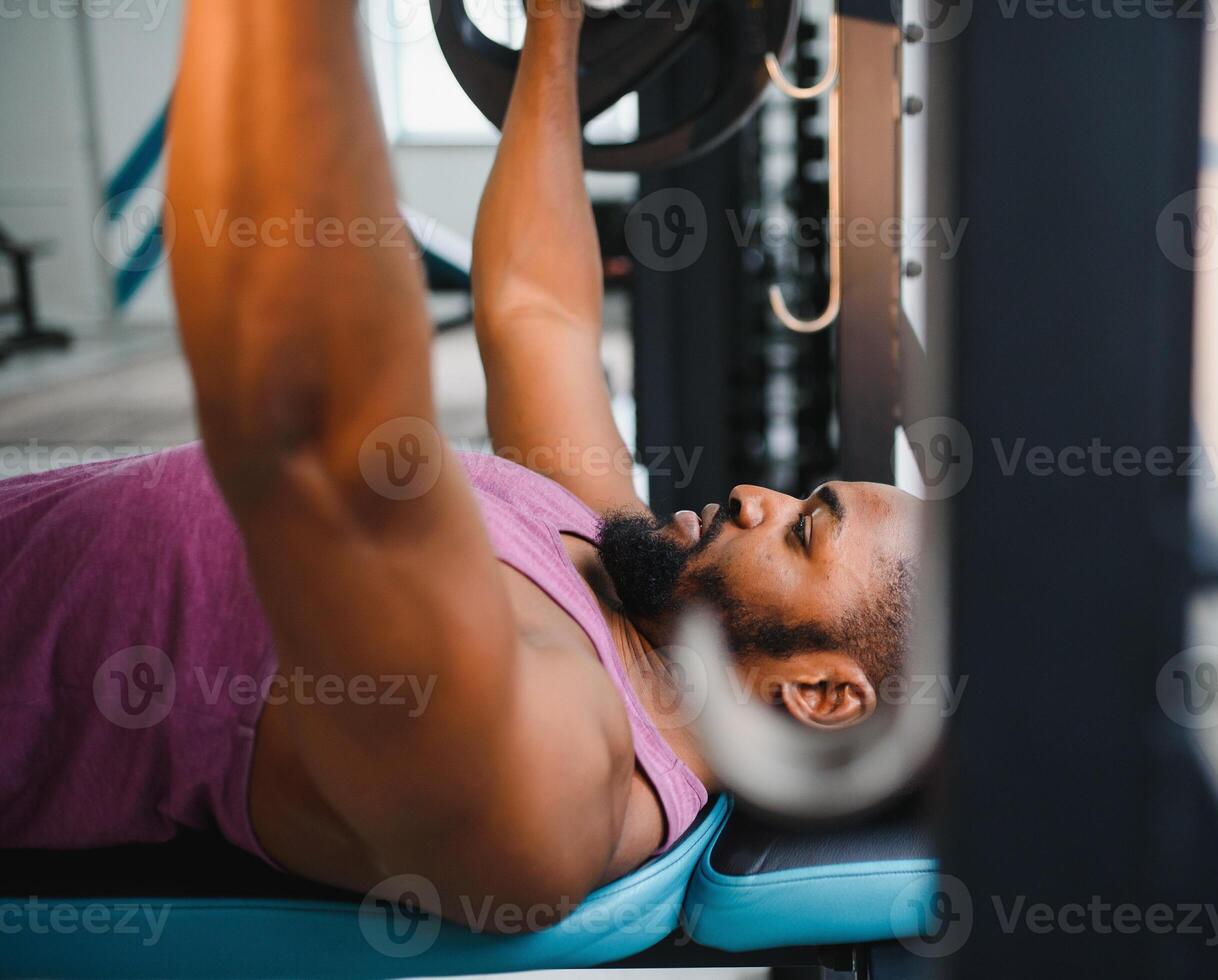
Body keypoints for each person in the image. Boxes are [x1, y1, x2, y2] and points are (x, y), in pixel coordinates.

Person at [0, 0, 920, 927]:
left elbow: (310, 441)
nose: (756, 497)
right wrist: (556, 31)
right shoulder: (620, 568)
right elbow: (537, 312)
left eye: (805, 530)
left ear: (823, 694)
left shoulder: (564, 777)